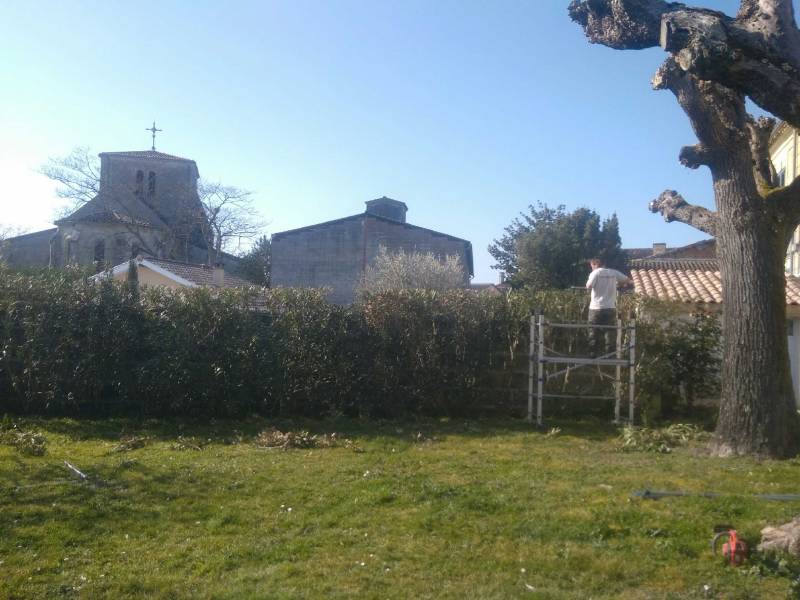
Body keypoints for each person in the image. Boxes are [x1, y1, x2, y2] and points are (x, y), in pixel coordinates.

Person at [585, 258, 632, 356]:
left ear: (595, 264)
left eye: (591, 265)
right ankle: (609, 354)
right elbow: (628, 280)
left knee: (593, 331)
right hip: (610, 307)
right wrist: (619, 285)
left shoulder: (595, 273)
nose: (591, 267)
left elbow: (588, 286)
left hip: (595, 308)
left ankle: (593, 354)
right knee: (609, 331)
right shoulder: (613, 273)